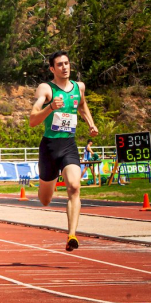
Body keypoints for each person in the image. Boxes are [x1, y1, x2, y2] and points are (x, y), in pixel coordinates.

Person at [29, 50, 98, 252]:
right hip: (49, 148)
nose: (64, 67)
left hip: (68, 145)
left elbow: (82, 106)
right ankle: (47, 183)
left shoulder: (79, 87)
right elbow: (33, 120)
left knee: (75, 187)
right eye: (59, 64)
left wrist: (91, 124)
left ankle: (72, 236)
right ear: (52, 68)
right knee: (45, 200)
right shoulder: (46, 89)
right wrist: (50, 107)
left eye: (66, 63)